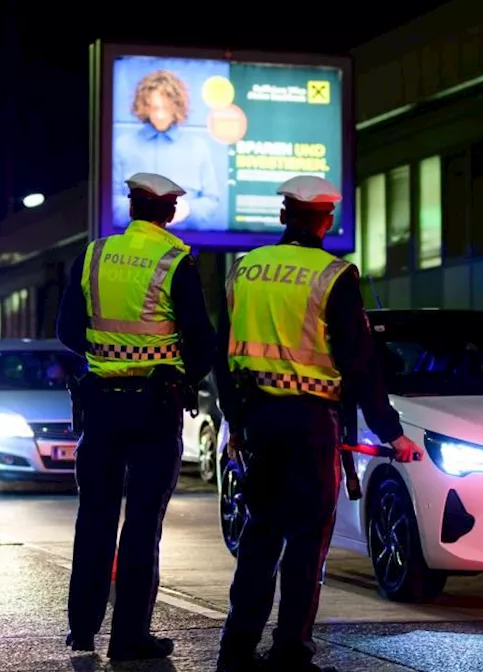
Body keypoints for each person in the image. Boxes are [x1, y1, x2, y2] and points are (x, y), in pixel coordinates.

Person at [213, 175, 423, 672]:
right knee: (307, 541)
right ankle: (289, 654)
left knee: (259, 535)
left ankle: (235, 652)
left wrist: (237, 422)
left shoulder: (244, 271)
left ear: (284, 216)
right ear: (327, 221)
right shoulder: (334, 276)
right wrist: (390, 431)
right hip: (310, 424)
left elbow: (222, 358)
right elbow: (360, 364)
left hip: (258, 419)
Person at [56, 171, 218, 661]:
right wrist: (176, 374)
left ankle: (82, 631)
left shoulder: (93, 255)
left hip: (101, 404)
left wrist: (107, 356)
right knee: (143, 524)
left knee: (95, 520)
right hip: (154, 408)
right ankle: (129, 639)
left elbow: (67, 329)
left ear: (131, 208)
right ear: (168, 212)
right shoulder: (175, 262)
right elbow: (204, 345)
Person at [112, 70, 223, 231]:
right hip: (135, 240)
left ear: (177, 106)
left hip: (184, 242)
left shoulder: (198, 148)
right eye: (154, 107)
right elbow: (110, 202)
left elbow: (212, 201)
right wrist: (143, 212)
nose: (161, 115)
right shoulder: (123, 145)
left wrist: (187, 209)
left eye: (166, 107)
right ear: (144, 106)